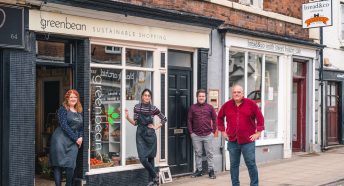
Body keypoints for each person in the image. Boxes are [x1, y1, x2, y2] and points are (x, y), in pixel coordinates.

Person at [217, 85, 264, 186]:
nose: (236, 94)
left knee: (251, 164)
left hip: (248, 141)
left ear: (242, 93)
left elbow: (260, 118)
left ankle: (254, 184)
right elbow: (219, 118)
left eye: (238, 92)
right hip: (232, 141)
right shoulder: (227, 105)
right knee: (234, 165)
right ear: (232, 94)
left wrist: (258, 133)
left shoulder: (251, 104)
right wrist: (223, 131)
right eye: (234, 92)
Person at [125, 89, 167, 186]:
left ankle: (151, 181)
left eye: (149, 95)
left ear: (150, 97)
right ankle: (155, 175)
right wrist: (127, 118)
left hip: (150, 134)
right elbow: (135, 123)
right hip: (140, 134)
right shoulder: (137, 107)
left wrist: (156, 126)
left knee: (151, 158)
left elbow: (164, 119)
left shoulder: (153, 108)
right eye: (145, 95)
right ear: (142, 96)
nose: (147, 97)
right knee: (142, 158)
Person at [50, 89, 83, 186]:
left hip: (74, 141)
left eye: (75, 97)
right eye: (71, 97)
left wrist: (80, 137)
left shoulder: (79, 110)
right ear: (67, 98)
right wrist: (76, 138)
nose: (73, 99)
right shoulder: (62, 109)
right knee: (57, 166)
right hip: (60, 140)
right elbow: (64, 126)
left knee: (71, 167)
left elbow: (81, 126)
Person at [187, 89, 217, 179]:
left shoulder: (210, 107)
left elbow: (215, 120)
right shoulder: (192, 108)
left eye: (203, 96)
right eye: (200, 96)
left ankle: (211, 171)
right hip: (196, 135)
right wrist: (191, 133)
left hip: (208, 134)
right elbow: (189, 120)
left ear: (205, 97)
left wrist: (213, 132)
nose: (201, 97)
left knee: (209, 154)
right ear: (197, 97)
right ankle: (199, 170)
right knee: (198, 153)